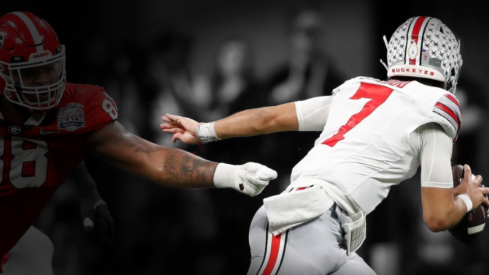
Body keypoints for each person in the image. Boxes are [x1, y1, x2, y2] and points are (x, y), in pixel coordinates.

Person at [161, 16, 489, 274]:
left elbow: (268, 118)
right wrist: (466, 200)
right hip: (303, 222)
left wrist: (205, 129)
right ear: (448, 63)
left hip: (331, 233)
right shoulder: (439, 106)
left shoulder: (357, 89)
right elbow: (436, 216)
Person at [0, 11, 277, 275]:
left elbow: (149, 156)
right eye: (31, 72)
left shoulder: (75, 107)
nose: (45, 79)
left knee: (39, 250)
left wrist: (227, 173)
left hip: (22, 236)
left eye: (49, 67)